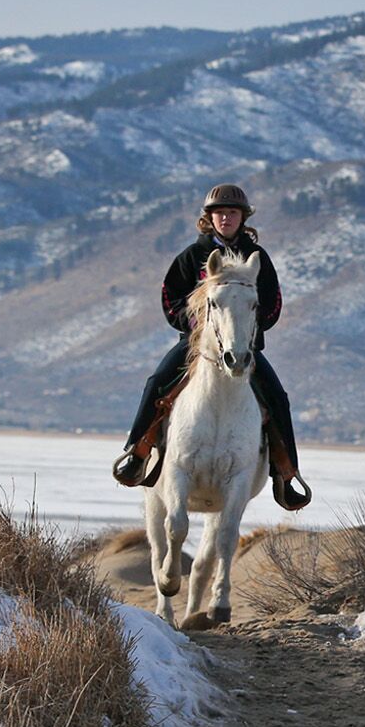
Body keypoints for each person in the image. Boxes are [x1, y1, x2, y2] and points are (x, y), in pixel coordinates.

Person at [112, 183, 312, 509]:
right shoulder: (191, 257)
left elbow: (273, 303)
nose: (225, 218)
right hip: (196, 347)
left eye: (232, 213)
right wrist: (197, 324)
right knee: (156, 383)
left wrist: (246, 327)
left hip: (244, 346)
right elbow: (169, 298)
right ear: (209, 218)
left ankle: (286, 473)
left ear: (242, 218)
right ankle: (136, 452)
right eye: (219, 213)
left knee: (277, 398)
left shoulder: (258, 259)